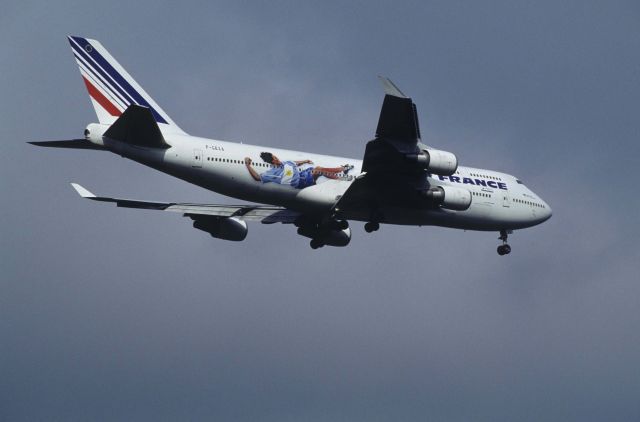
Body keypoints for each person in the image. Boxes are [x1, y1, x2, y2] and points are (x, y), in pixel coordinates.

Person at [244, 152, 353, 189]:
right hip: (302, 182)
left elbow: (295, 163)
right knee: (318, 170)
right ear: (272, 161)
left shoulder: (285, 163)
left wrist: (305, 161)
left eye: (276, 157)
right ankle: (342, 177)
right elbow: (257, 178)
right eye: (274, 158)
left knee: (318, 169)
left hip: (304, 175)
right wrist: (248, 165)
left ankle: (343, 169)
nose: (277, 158)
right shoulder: (273, 173)